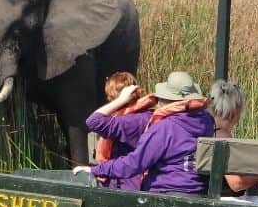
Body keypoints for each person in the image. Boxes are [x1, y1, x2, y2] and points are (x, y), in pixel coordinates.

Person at [73, 71, 214, 195]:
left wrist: (96, 170)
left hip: (165, 193)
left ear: (166, 100)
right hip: (197, 191)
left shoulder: (163, 128)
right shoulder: (206, 120)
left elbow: (134, 163)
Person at [94, 71, 157, 190]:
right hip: (139, 182)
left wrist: (120, 101)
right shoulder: (148, 115)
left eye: (110, 97)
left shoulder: (127, 122)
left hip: (126, 185)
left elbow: (93, 121)